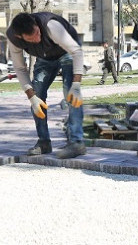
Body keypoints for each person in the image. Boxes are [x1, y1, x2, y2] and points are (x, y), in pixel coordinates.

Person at [7, 12, 86, 159]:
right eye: (32, 38)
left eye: (37, 32)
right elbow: (19, 68)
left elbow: (76, 51)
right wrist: (32, 98)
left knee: (71, 94)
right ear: (20, 37)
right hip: (45, 57)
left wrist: (76, 85)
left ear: (37, 26)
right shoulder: (14, 38)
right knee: (37, 94)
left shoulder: (50, 26)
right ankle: (44, 142)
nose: (38, 38)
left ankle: (77, 142)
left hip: (67, 52)